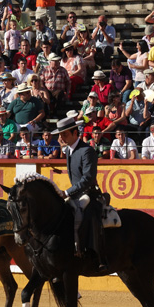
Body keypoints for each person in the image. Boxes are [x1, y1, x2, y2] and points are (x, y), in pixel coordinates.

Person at [52, 116, 107, 271]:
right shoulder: (69, 151)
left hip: (90, 194)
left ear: (75, 133)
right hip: (76, 194)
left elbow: (88, 178)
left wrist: (67, 192)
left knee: (88, 215)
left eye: (65, 134)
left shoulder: (87, 150)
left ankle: (97, 257)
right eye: (60, 135)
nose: (61, 138)